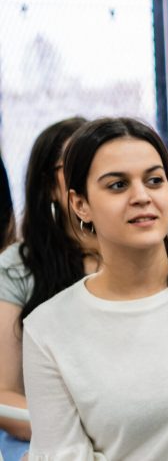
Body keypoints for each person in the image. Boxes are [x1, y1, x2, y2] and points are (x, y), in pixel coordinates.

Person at [22, 118, 168, 460]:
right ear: (80, 204)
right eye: (117, 185)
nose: (141, 196)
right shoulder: (47, 329)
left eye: (154, 180)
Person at [0, 117, 97, 461]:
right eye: (75, 165)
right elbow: (3, 394)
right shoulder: (18, 267)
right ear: (50, 187)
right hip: (42, 438)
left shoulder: (144, 258)